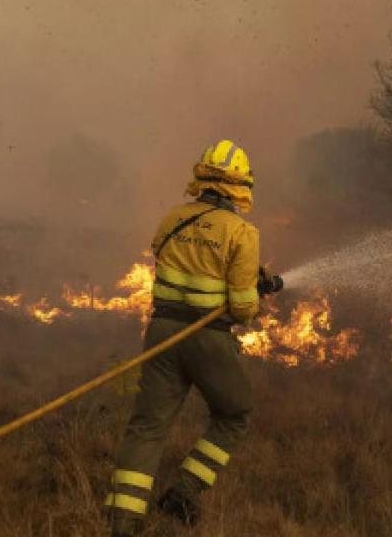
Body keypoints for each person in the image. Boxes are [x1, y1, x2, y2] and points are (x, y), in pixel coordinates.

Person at [106, 138, 280, 536]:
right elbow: (240, 309)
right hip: (207, 337)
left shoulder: (173, 218)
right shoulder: (241, 232)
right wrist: (255, 292)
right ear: (240, 186)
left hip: (162, 331)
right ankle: (184, 492)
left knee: (148, 425)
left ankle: (122, 522)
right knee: (235, 413)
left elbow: (182, 264)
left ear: (201, 178)